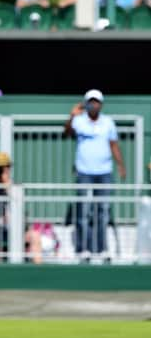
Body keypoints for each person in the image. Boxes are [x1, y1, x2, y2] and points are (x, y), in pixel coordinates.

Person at [64, 89, 126, 263]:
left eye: (97, 101)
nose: (94, 105)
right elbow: (67, 133)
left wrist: (121, 165)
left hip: (104, 173)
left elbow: (113, 144)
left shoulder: (108, 123)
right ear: (86, 103)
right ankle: (83, 249)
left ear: (101, 104)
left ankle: (100, 249)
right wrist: (71, 116)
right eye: (91, 101)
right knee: (83, 212)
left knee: (103, 213)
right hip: (84, 172)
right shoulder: (79, 120)